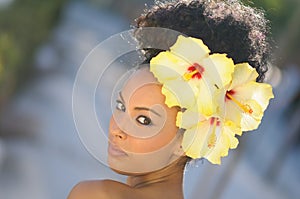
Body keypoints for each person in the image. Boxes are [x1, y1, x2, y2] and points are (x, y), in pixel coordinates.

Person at [67, 0, 273, 198]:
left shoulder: (97, 195)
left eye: (143, 120)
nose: (116, 129)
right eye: (121, 106)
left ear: (187, 140)